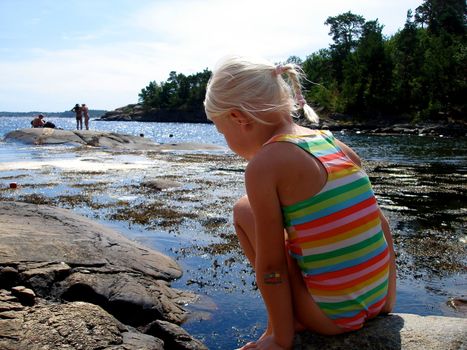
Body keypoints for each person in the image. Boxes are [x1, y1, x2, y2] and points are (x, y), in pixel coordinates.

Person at [203, 55, 397, 350]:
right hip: (383, 298)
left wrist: (279, 339)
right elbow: (381, 225)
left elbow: (272, 265)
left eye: (222, 131)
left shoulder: (264, 165)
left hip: (333, 319)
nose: (226, 142)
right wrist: (386, 297)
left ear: (238, 118)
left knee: (245, 209)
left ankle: (284, 325)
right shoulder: (333, 143)